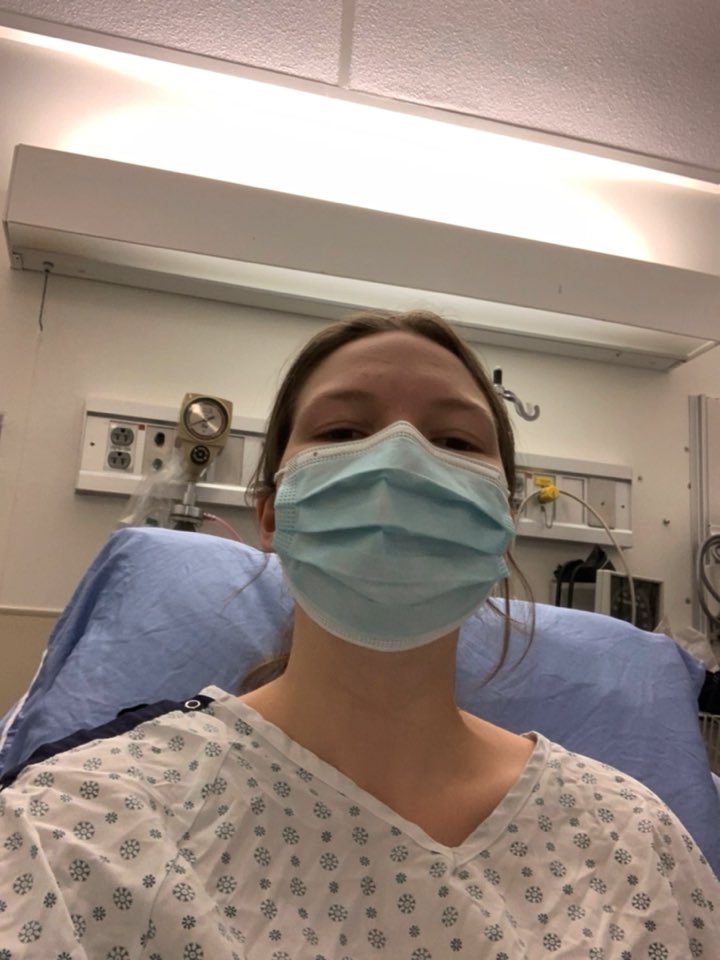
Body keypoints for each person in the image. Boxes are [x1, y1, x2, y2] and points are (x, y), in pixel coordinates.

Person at [0, 310, 717, 960]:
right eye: (343, 433)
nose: (400, 461)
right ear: (272, 515)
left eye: (455, 441)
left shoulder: (631, 844)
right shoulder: (80, 828)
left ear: (501, 523)